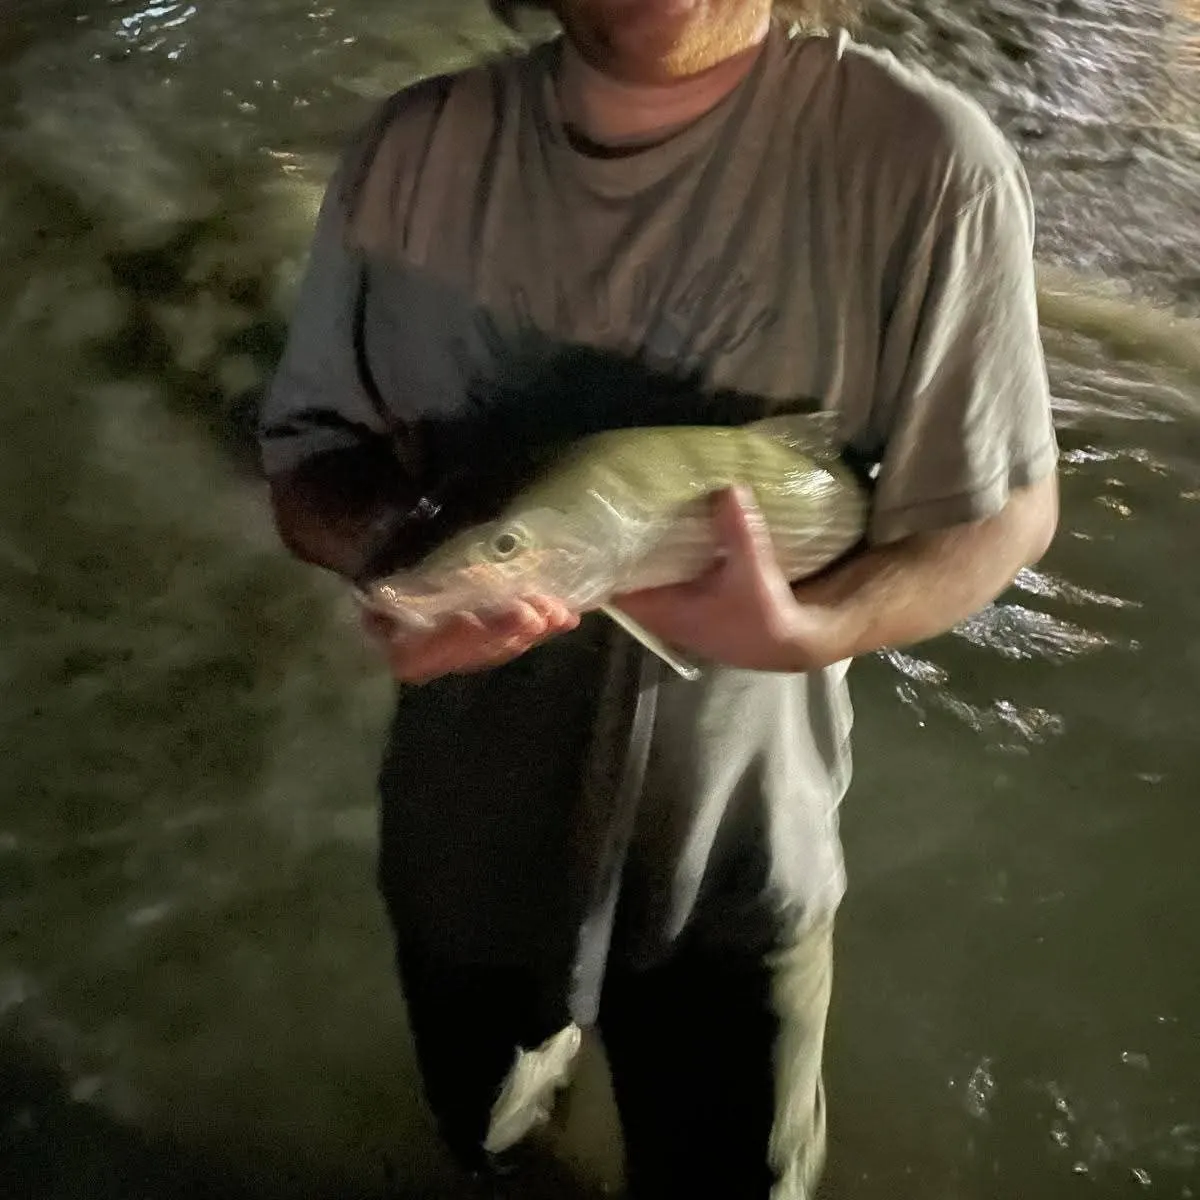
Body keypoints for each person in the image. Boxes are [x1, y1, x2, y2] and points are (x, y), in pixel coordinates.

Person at [258, 0, 1060, 1195]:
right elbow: (308, 453)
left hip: (740, 857)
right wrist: (408, 555)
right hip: (464, 844)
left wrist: (813, 629)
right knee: (487, 1147)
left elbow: (1001, 511)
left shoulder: (925, 163)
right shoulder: (412, 152)